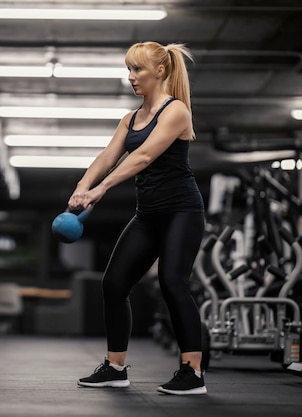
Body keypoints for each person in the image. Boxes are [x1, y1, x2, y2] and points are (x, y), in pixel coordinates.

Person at [69, 41, 207, 395]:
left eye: (138, 70)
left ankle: (192, 373)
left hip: (181, 211)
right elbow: (108, 154)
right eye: (128, 70)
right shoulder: (130, 118)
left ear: (160, 71)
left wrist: (102, 190)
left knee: (172, 282)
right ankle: (116, 367)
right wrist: (83, 185)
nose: (131, 77)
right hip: (147, 215)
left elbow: (143, 156)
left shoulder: (176, 111)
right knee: (114, 284)